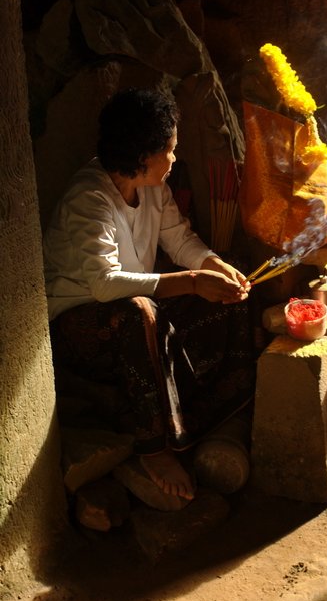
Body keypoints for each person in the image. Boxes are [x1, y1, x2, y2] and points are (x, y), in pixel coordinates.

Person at [43, 87, 256, 503]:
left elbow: (180, 239)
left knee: (230, 291)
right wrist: (192, 280)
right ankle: (154, 448)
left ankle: (203, 412)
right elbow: (105, 284)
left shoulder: (154, 185)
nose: (175, 158)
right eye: (170, 150)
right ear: (143, 154)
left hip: (136, 307)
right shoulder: (89, 198)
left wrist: (213, 265)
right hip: (79, 324)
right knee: (139, 312)